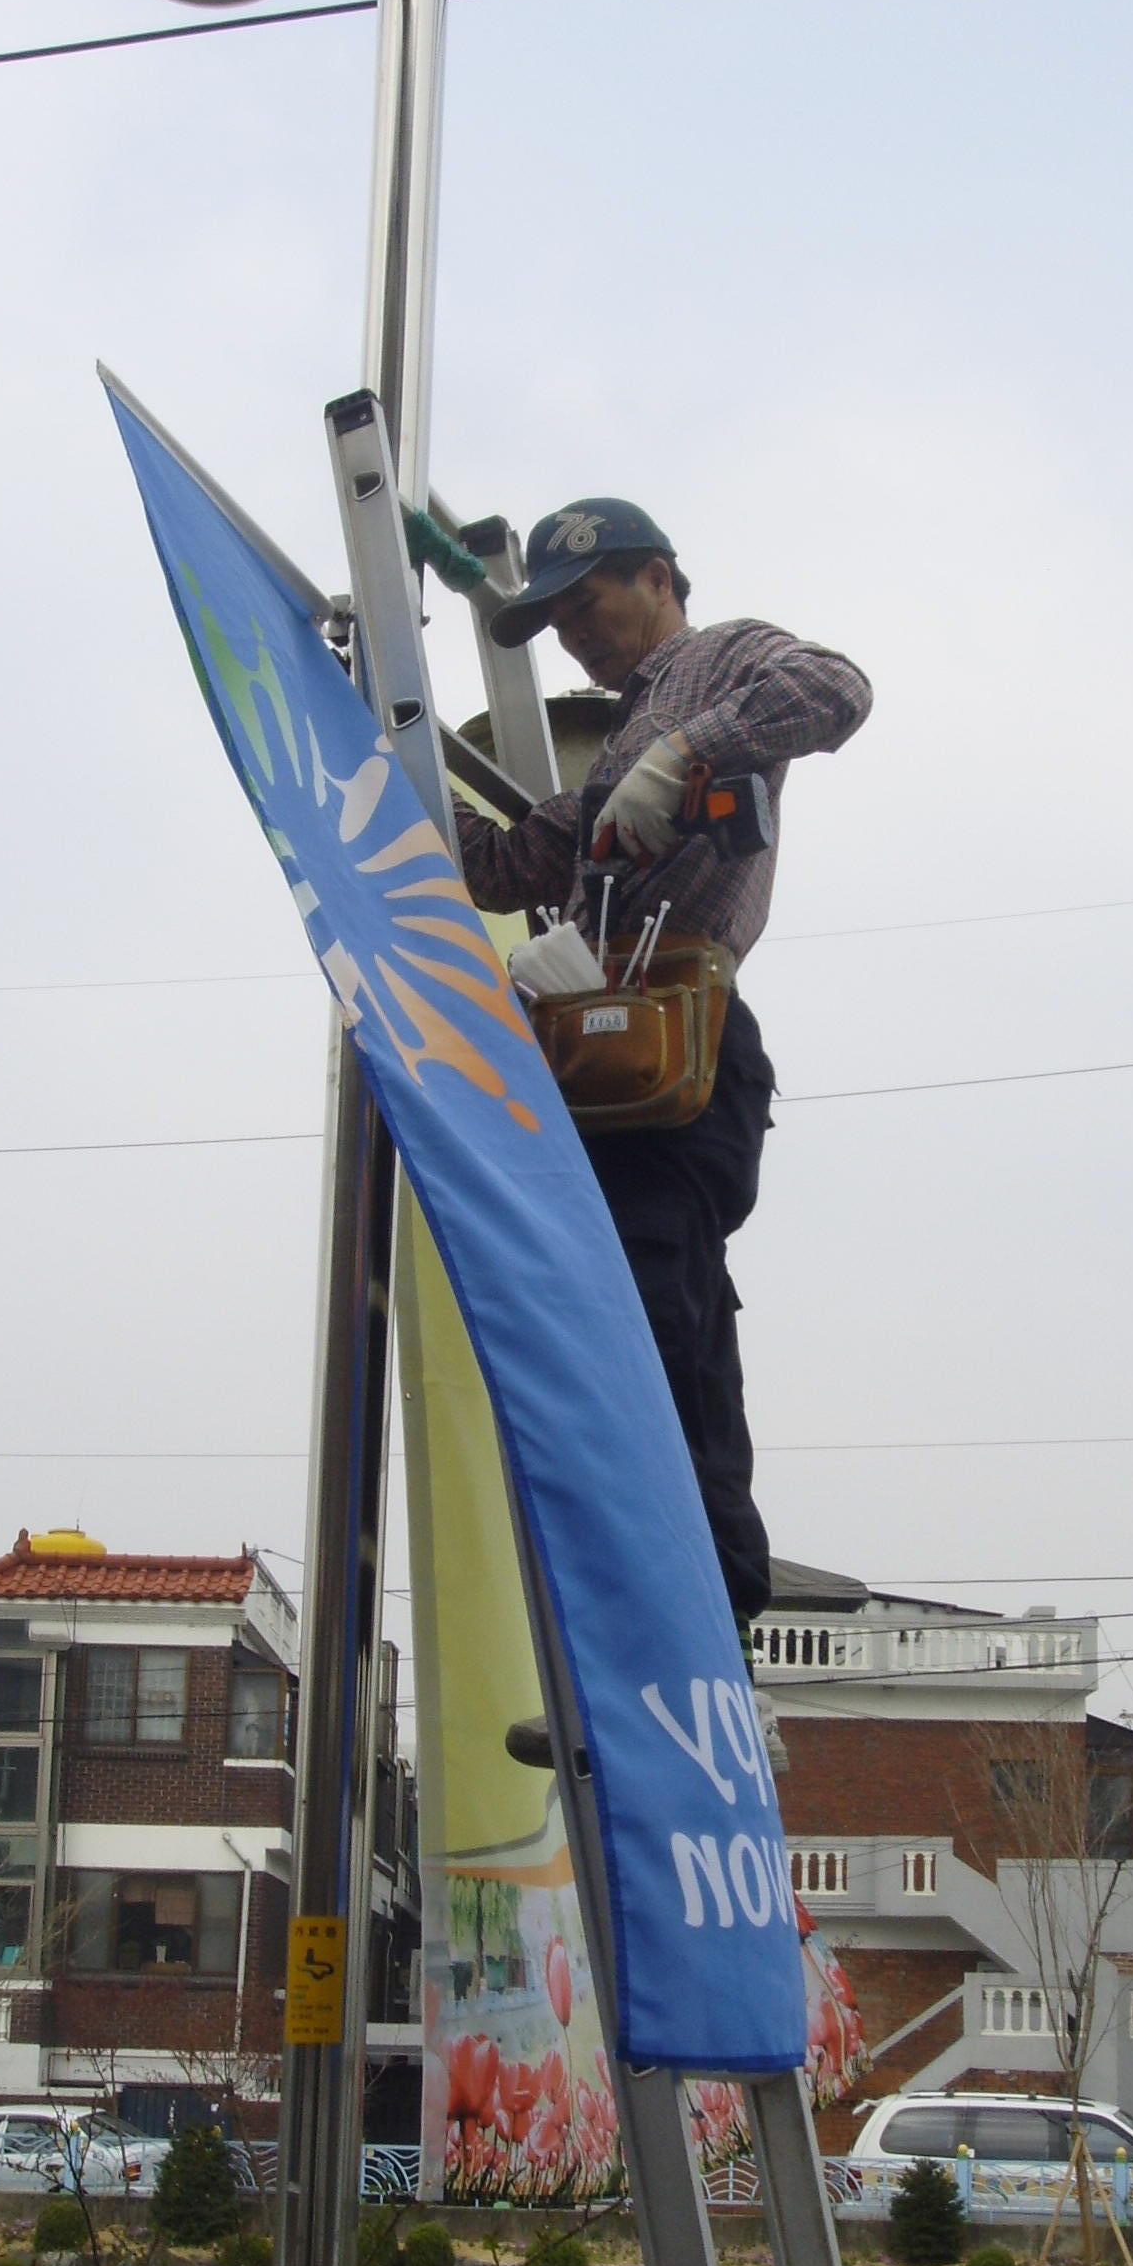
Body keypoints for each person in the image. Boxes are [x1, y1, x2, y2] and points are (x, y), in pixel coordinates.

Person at [453, 499, 871, 1763]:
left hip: (680, 1043)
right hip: (600, 1060)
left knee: (666, 1328)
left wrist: (690, 752)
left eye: (590, 604)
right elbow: (511, 863)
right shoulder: (615, 747)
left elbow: (838, 688)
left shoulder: (727, 661)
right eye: (558, 618)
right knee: (605, 1345)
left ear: (658, 578)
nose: (577, 635)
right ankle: (632, 1659)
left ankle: (709, 1654)